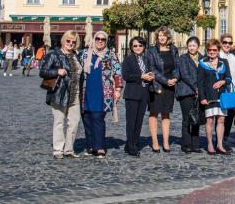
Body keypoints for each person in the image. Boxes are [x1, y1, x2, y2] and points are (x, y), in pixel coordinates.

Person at [78, 30, 123, 159]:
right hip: (85, 91)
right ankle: (90, 145)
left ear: (106, 41)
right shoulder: (84, 54)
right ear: (94, 39)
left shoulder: (110, 55)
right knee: (86, 118)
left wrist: (118, 89)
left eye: (103, 39)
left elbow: (118, 72)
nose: (100, 41)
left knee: (98, 118)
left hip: (102, 91)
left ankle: (100, 146)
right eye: (97, 38)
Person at [40, 31, 82, 159]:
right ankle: (58, 149)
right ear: (63, 41)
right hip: (59, 93)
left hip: (75, 94)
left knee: (74, 121)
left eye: (73, 41)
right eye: (68, 41)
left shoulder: (76, 56)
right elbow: (43, 72)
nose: (70, 43)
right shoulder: (54, 55)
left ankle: (68, 149)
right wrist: (57, 71)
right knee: (59, 122)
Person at [146, 26, 179, 153]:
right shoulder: (152, 51)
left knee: (166, 113)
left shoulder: (173, 49)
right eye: (160, 35)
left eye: (164, 35)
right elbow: (152, 68)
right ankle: (155, 141)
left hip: (170, 86)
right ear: (157, 37)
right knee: (154, 112)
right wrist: (165, 81)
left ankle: (165, 142)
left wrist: (175, 78)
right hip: (156, 85)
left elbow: (177, 65)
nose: (162, 37)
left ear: (168, 36)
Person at [197, 39, 232, 155]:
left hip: (221, 95)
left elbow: (228, 78)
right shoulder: (202, 63)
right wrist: (202, 98)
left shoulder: (224, 62)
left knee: (221, 120)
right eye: (210, 50)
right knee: (210, 120)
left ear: (218, 50)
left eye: (214, 50)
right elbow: (200, 82)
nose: (212, 52)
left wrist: (223, 82)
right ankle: (210, 144)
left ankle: (220, 144)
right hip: (209, 96)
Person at [122, 36, 154, 157]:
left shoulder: (145, 59)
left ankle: (133, 143)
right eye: (135, 46)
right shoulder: (128, 60)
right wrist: (141, 76)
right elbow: (126, 76)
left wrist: (150, 76)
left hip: (143, 92)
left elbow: (149, 72)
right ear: (131, 47)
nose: (138, 48)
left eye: (140, 45)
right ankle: (131, 147)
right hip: (132, 93)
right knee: (131, 121)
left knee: (139, 120)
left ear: (144, 47)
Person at [178, 36, 203, 154]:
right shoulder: (183, 58)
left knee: (196, 118)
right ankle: (186, 144)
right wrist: (195, 87)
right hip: (187, 91)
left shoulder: (203, 58)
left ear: (198, 46)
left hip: (198, 92)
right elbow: (184, 74)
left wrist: (200, 89)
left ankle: (196, 144)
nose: (192, 48)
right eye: (190, 46)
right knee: (187, 118)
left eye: (194, 45)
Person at [219, 33, 235, 146]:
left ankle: (225, 136)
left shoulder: (232, 57)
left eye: (229, 43)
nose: (227, 45)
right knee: (220, 116)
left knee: (229, 115)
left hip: (231, 90)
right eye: (225, 42)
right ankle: (218, 140)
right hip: (220, 90)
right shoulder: (217, 55)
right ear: (221, 43)